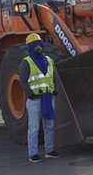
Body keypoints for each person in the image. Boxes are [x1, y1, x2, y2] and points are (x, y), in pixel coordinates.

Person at [18, 33, 61, 163]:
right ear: (30, 47)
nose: (38, 47)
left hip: (48, 98)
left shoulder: (49, 60)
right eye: (35, 45)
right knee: (34, 127)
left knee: (49, 125)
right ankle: (33, 153)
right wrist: (30, 93)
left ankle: (50, 150)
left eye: (40, 45)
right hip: (35, 100)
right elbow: (22, 81)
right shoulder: (26, 63)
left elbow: (54, 77)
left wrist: (55, 90)